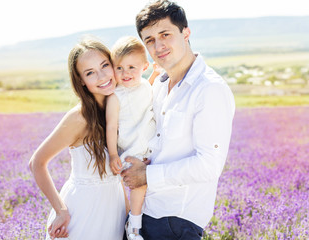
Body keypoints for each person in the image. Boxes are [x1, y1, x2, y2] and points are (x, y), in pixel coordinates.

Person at [121, 1, 236, 239]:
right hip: (143, 214)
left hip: (176, 223)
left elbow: (209, 165)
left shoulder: (209, 89)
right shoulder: (160, 86)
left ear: (186, 33)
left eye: (165, 34)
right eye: (149, 40)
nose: (158, 45)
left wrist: (146, 176)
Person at [28, 37, 127, 240]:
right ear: (81, 80)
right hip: (82, 212)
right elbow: (37, 163)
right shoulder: (79, 117)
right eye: (90, 73)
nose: (102, 76)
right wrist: (60, 210)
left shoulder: (119, 106)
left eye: (104, 65)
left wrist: (129, 217)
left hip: (113, 211)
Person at [106, 36, 158, 240]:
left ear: (144, 66)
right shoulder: (115, 96)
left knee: (151, 186)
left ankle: (139, 218)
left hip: (149, 144)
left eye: (131, 67)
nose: (125, 73)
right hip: (131, 148)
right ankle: (134, 226)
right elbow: (111, 127)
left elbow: (147, 92)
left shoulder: (145, 85)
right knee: (139, 185)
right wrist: (112, 154)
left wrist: (154, 74)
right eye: (119, 68)